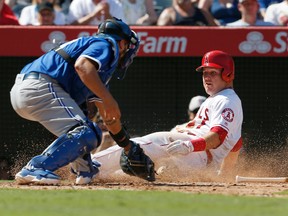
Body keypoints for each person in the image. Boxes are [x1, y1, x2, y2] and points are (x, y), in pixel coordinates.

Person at [10, 17, 154, 185]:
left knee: (86, 128)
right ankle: (36, 167)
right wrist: (109, 99)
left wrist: (128, 147)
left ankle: (85, 170)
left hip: (30, 90)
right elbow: (82, 66)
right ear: (122, 43)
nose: (126, 51)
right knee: (87, 131)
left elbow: (109, 117)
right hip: (41, 87)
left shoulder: (96, 71)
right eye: (127, 46)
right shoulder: (106, 44)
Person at [93, 50, 243, 180]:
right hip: (194, 156)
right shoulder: (218, 98)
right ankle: (96, 174)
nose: (206, 77)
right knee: (137, 168)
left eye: (213, 73)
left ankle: (90, 165)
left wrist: (190, 146)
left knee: (143, 144)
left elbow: (218, 136)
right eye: (204, 73)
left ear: (228, 74)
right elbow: (236, 141)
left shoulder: (227, 100)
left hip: (197, 152)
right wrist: (225, 173)